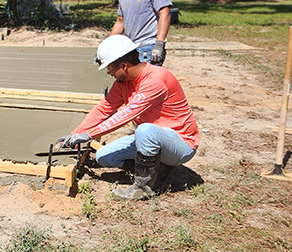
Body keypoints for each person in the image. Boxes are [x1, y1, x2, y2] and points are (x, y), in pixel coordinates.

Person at [56, 35, 199, 200]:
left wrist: (88, 135)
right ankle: (157, 169)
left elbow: (125, 115)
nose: (109, 73)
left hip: (180, 144)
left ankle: (142, 188)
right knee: (104, 157)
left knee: (146, 130)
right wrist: (76, 134)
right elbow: (104, 109)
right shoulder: (122, 83)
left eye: (110, 68)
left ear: (123, 65)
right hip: (151, 138)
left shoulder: (156, 80)